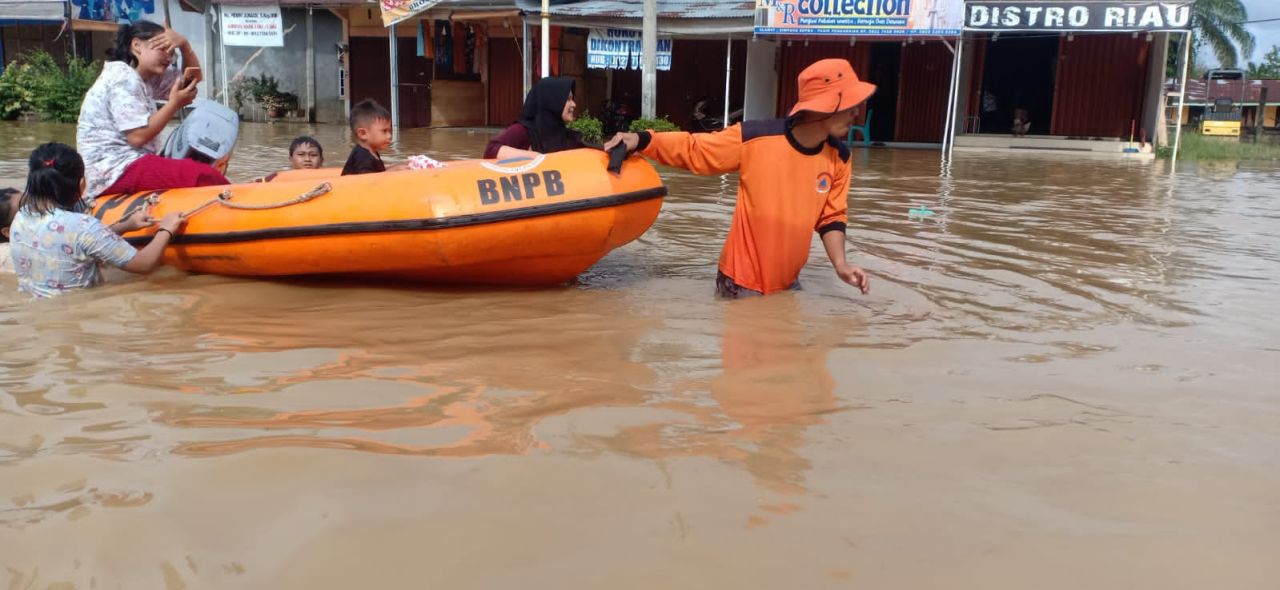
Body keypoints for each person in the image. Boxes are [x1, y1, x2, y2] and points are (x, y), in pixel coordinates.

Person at [604, 58, 873, 298]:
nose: (855, 113)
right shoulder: (755, 138)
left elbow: (832, 217)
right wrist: (641, 139)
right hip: (740, 283)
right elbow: (696, 149)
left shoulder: (840, 157)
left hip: (788, 283)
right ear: (820, 107)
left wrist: (841, 265)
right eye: (848, 104)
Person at [7, 143, 185, 298]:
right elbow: (144, 264)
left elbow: (75, 243)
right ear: (82, 183)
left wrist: (126, 225)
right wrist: (166, 230)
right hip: (78, 310)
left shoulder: (20, 218)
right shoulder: (82, 226)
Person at [77, 21, 229, 202]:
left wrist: (185, 46)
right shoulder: (123, 77)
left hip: (130, 161)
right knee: (201, 174)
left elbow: (192, 79)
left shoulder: (146, 77)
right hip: (113, 168)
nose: (169, 58)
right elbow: (138, 137)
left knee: (202, 160)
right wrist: (174, 104)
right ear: (137, 46)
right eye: (163, 49)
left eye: (172, 53)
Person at [484, 77, 584, 160]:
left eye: (572, 99)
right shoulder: (523, 130)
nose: (574, 104)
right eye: (568, 99)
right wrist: (536, 157)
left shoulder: (566, 136)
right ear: (552, 101)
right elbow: (491, 150)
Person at [342, 99, 407, 175]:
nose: (389, 136)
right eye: (384, 131)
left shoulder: (372, 152)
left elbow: (378, 172)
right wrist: (389, 173)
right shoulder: (362, 156)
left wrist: (400, 165)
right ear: (363, 134)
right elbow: (364, 181)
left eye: (389, 131)